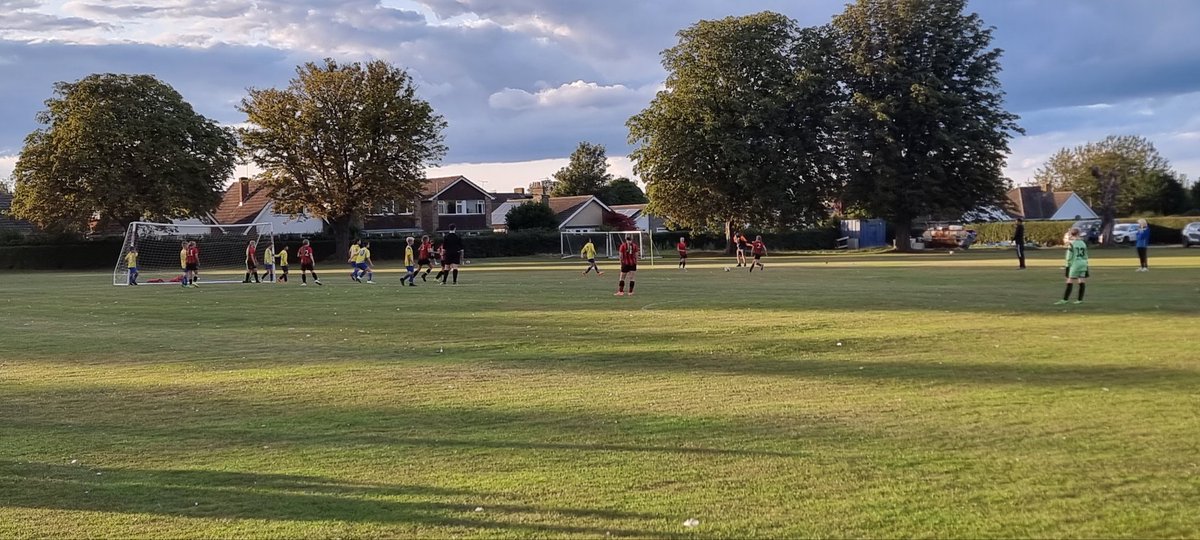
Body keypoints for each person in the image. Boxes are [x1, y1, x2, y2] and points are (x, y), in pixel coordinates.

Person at [1056, 228, 1089, 305]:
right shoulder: (1083, 243)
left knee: (1069, 280)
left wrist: (1067, 265)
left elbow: (1069, 256)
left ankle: (1065, 299)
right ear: (1079, 234)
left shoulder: (1071, 244)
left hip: (1075, 263)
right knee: (1081, 281)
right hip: (1083, 263)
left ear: (1071, 234)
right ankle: (1079, 300)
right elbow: (1086, 255)